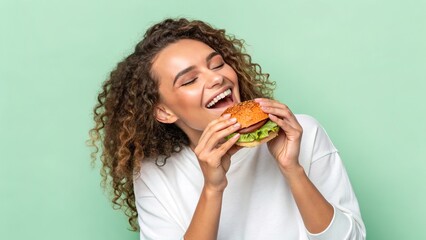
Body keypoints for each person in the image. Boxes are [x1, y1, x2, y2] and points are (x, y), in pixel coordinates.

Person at [89, 18, 366, 240]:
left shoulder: (301, 132)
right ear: (164, 111)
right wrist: (213, 187)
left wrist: (293, 170)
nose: (216, 78)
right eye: (189, 81)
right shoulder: (155, 173)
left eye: (218, 64)